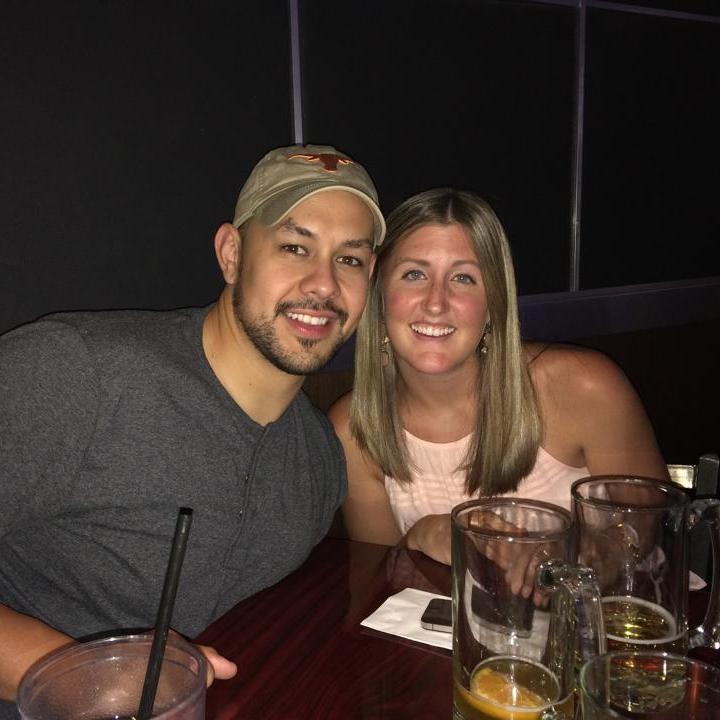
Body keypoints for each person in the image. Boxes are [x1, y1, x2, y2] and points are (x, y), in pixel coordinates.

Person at [0, 144, 385, 713]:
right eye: (294, 247)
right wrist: (98, 678)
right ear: (232, 254)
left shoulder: (319, 462)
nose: (323, 285)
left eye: (349, 259)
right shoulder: (73, 372)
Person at [329, 187, 668, 568]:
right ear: (379, 296)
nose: (436, 302)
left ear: (493, 303)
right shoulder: (352, 429)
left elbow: (653, 525)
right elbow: (378, 582)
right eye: (414, 274)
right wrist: (421, 536)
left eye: (463, 278)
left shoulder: (583, 385)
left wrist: (574, 560)